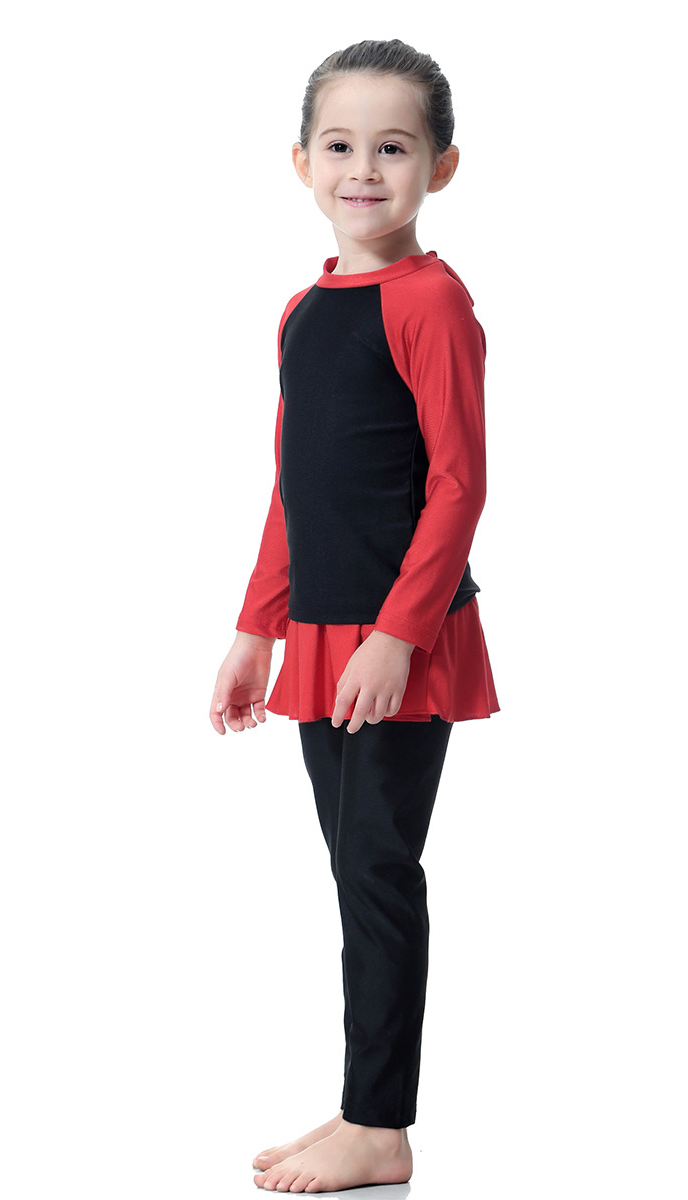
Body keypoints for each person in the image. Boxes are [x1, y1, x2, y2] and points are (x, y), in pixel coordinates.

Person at [209, 38, 500, 1194]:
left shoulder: (433, 303)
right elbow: (297, 486)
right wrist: (256, 629)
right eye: (340, 145)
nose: (364, 169)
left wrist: (398, 633)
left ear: (442, 166)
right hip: (323, 636)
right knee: (353, 870)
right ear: (302, 161)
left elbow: (458, 486)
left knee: (378, 867)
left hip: (398, 646)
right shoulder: (304, 310)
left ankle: (380, 1123)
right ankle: (361, 1107)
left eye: (394, 147)